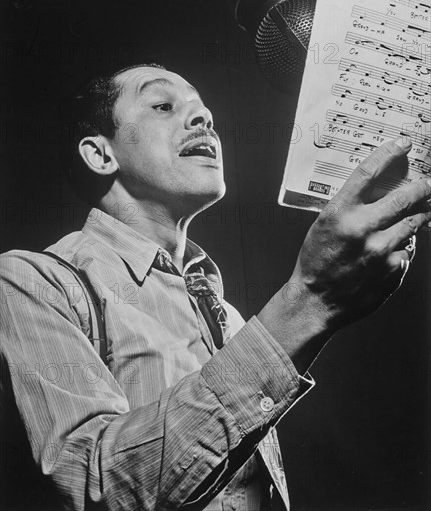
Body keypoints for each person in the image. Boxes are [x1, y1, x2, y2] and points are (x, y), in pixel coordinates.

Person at [0, 63, 430, 511]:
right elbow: (96, 486)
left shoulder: (227, 314)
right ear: (101, 154)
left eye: (205, 112)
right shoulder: (32, 281)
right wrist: (308, 302)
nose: (204, 118)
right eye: (163, 105)